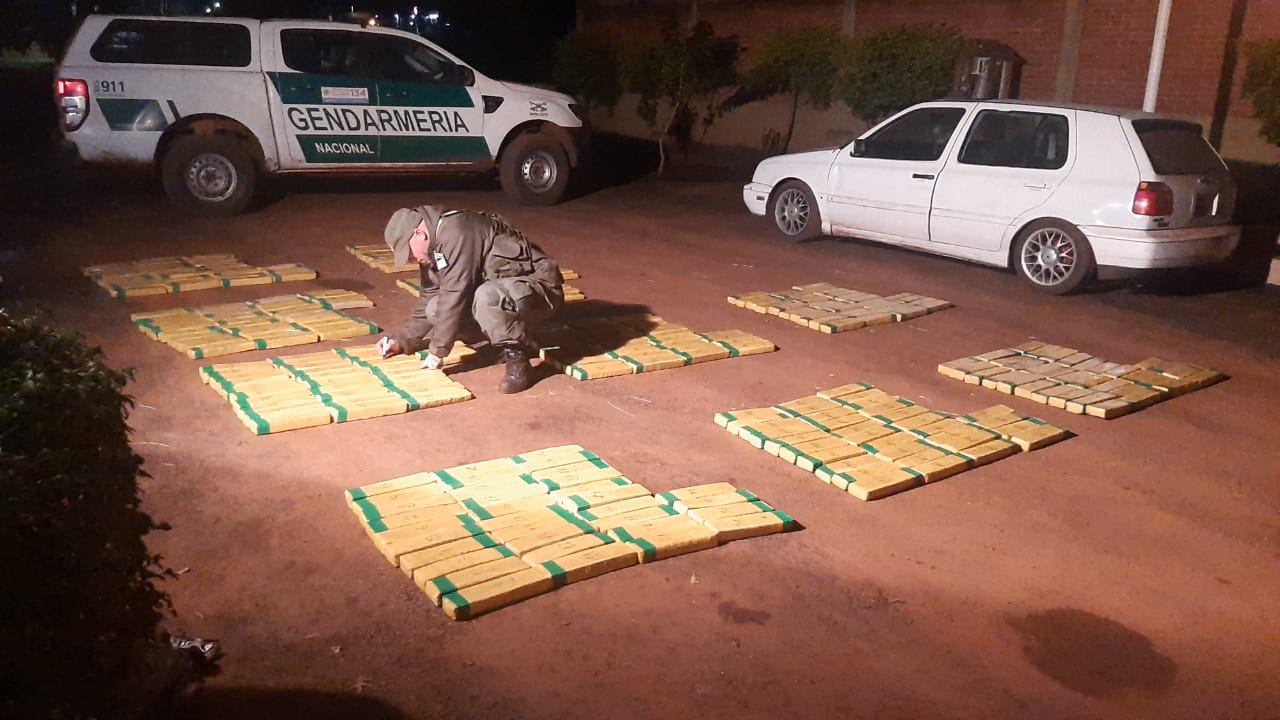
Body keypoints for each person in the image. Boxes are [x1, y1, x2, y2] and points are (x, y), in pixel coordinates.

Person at [376, 205, 564, 394]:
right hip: (504, 294)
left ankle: (518, 359)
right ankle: (500, 341)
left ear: (420, 234)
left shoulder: (456, 233)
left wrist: (437, 351)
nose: (411, 259)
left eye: (409, 252)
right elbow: (430, 295)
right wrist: (401, 340)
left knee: (487, 296)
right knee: (434, 309)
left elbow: (454, 294)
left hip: (539, 293)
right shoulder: (431, 248)